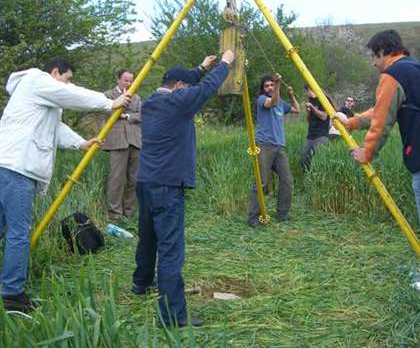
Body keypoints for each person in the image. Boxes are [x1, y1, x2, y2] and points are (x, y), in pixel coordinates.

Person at [335, 30, 420, 305]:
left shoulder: (392, 75)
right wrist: (350, 122)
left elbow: (382, 121)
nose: (374, 63)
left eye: (374, 57)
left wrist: (367, 153)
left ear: (385, 51)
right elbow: (383, 109)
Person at [0, 58, 130, 312]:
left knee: (3, 227)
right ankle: (11, 294)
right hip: (16, 168)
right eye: (68, 78)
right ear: (55, 73)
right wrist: (109, 103)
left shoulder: (40, 98)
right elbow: (68, 93)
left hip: (8, 166)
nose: (69, 84)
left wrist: (80, 143)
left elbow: (54, 129)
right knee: (19, 233)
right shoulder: (38, 80)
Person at [131, 51, 234, 328]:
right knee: (170, 251)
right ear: (179, 88)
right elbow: (206, 89)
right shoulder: (177, 102)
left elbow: (187, 83)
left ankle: (140, 285)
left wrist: (201, 67)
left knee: (148, 238)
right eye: (184, 88)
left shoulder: (152, 102)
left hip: (146, 182)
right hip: (167, 186)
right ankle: (173, 316)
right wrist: (226, 62)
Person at [247, 73, 300, 228]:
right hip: (264, 145)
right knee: (261, 181)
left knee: (287, 180)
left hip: (279, 146)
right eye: (267, 86)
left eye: (272, 85)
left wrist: (291, 95)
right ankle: (253, 218)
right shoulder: (262, 100)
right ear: (263, 89)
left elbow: (297, 110)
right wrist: (278, 84)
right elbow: (272, 102)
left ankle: (282, 214)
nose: (270, 88)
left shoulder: (281, 103)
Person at [101, 69, 142, 220]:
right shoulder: (107, 95)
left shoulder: (137, 97)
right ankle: (115, 214)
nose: (129, 83)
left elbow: (142, 115)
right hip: (117, 142)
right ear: (118, 79)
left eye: (131, 80)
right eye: (126, 80)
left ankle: (129, 213)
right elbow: (107, 112)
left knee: (134, 179)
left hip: (135, 141)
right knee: (116, 178)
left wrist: (127, 116)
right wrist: (122, 106)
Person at [300, 84, 331, 170]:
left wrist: (313, 108)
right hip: (310, 135)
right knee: (304, 160)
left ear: (309, 89)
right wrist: (308, 111)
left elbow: (324, 116)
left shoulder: (324, 99)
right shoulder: (310, 100)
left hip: (321, 135)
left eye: (306, 91)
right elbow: (308, 120)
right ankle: (307, 179)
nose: (306, 94)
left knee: (318, 161)